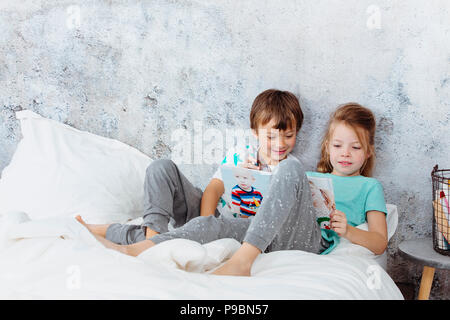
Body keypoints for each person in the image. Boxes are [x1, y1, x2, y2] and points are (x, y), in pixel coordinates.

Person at [77, 102, 388, 277]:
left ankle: (242, 261)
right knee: (211, 223)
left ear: (369, 151)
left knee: (289, 167)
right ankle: (136, 248)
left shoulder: (369, 187)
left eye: (355, 147)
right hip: (267, 231)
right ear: (327, 147)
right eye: (337, 145)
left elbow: (379, 242)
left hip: (313, 242)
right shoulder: (309, 175)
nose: (345, 153)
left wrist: (348, 231)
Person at [77, 88, 304, 247]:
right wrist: (206, 221)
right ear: (255, 132)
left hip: (240, 230)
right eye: (271, 136)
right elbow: (213, 189)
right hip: (209, 217)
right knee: (161, 167)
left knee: (179, 236)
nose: (280, 144)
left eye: (289, 136)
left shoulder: (292, 171)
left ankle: (121, 235)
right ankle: (153, 233)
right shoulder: (242, 153)